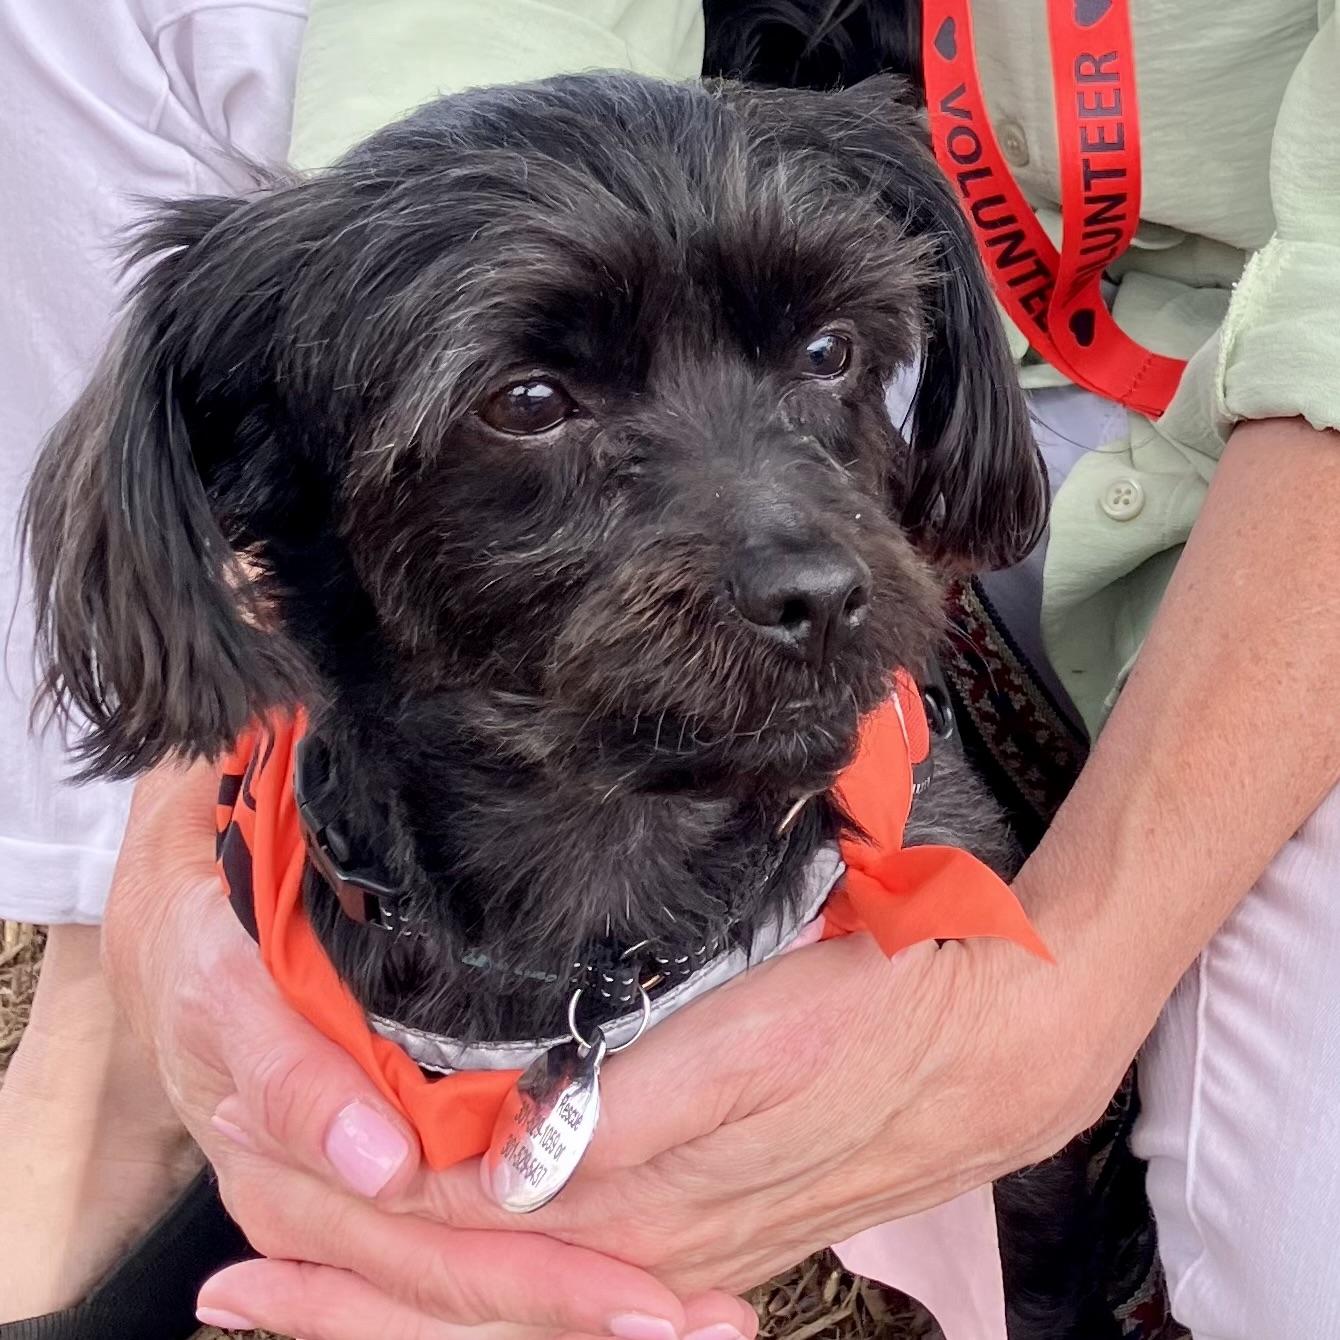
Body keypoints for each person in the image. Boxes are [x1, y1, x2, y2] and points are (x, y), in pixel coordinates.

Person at [4, 4, 1339, 1340]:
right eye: (533, 406)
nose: (807, 568)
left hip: (1262, 412)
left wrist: (1069, 1005)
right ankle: (124, 1033)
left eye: (827, 360)